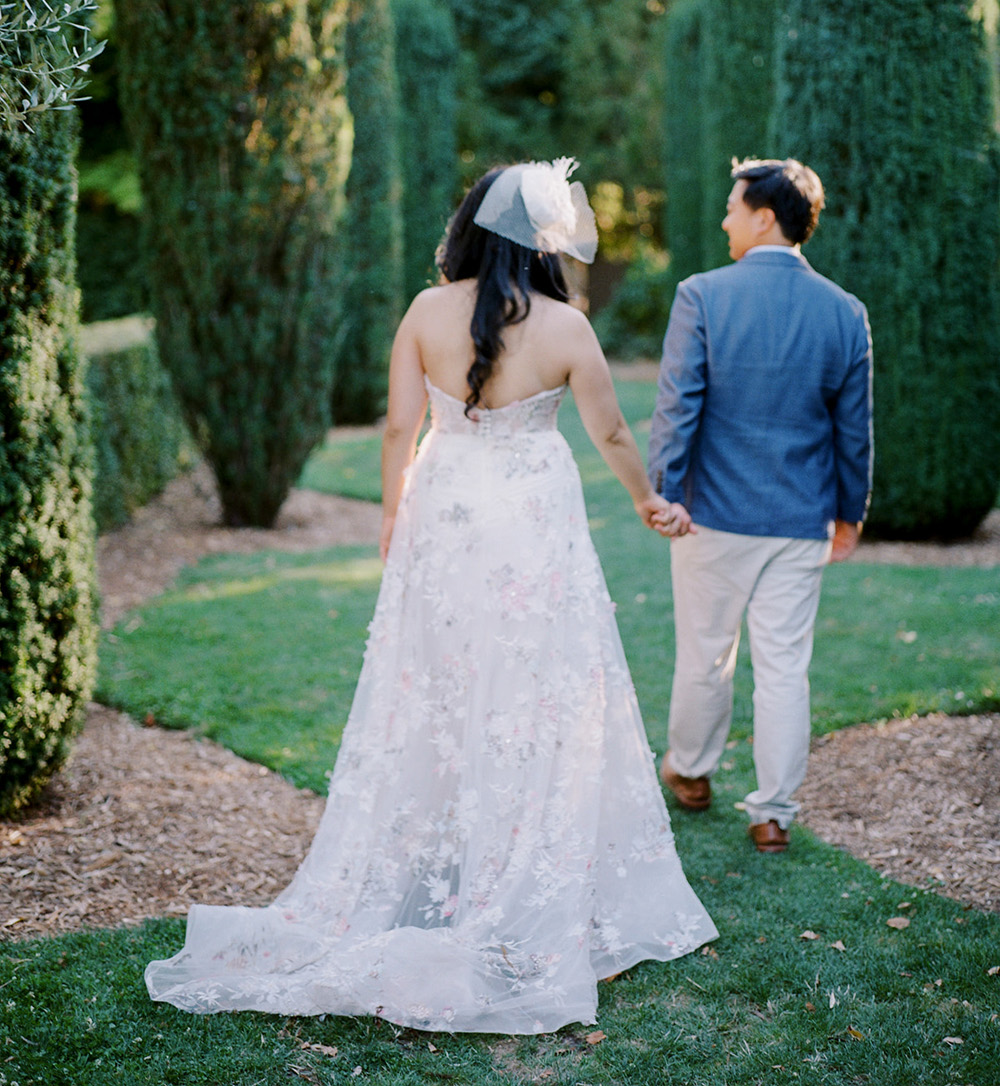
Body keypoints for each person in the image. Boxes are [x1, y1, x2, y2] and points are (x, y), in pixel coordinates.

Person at [145, 158, 717, 1034]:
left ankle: (441, 865)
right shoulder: (566, 327)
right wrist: (646, 500)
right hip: (530, 522)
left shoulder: (422, 312)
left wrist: (391, 516)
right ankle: (514, 868)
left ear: (469, 230)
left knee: (437, 689)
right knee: (536, 692)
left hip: (445, 516)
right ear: (544, 244)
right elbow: (607, 429)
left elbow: (398, 429)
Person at [648, 158, 873, 855]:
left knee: (705, 654)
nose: (723, 219)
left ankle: (690, 773)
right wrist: (849, 512)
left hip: (712, 515)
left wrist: (665, 491)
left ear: (764, 216)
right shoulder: (844, 311)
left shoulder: (702, 296)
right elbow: (854, 428)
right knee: (783, 668)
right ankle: (772, 812)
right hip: (800, 519)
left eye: (731, 207)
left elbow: (678, 408)